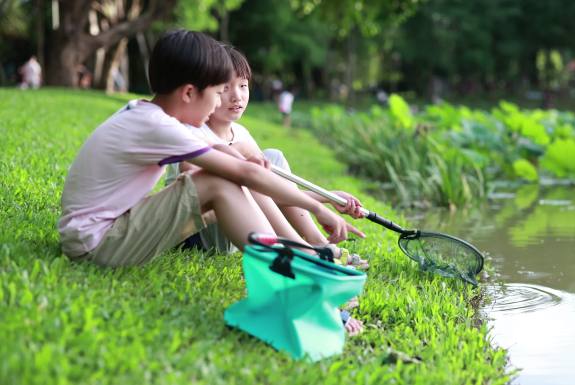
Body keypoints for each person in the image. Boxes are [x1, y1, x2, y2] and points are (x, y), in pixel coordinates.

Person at [58, 29, 360, 272]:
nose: (219, 103)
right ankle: (295, 268)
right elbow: (243, 173)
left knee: (228, 175)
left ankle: (299, 257)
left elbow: (239, 163)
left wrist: (320, 197)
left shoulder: (155, 117)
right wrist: (319, 208)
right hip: (96, 244)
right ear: (189, 93)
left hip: (100, 235)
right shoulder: (158, 126)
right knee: (218, 180)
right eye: (218, 93)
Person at [166, 47, 369, 269]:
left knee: (272, 158)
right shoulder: (193, 131)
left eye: (243, 86)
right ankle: (306, 252)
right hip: (200, 235)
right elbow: (201, 188)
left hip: (239, 225)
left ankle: (316, 243)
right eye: (225, 88)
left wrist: (327, 197)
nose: (237, 96)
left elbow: (269, 193)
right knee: (249, 171)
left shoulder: (241, 134)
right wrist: (316, 205)